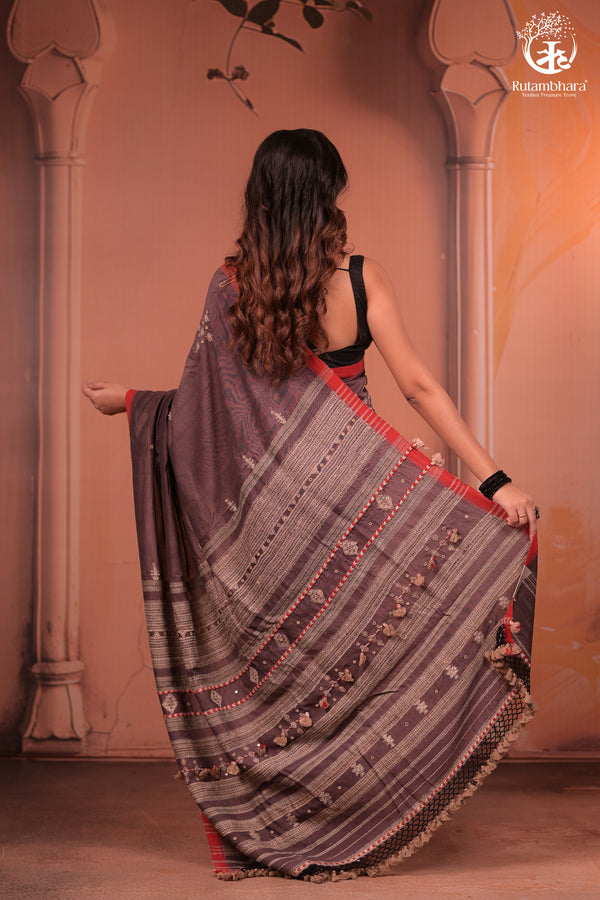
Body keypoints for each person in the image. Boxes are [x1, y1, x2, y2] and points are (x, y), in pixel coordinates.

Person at [83, 129, 537, 881]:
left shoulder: (230, 285)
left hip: (277, 522)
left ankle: (292, 820)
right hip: (362, 499)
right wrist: (494, 482)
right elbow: (421, 388)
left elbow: (206, 417)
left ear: (259, 197)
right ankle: (364, 815)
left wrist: (131, 403)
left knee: (290, 671)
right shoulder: (360, 279)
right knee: (371, 654)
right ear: (327, 196)